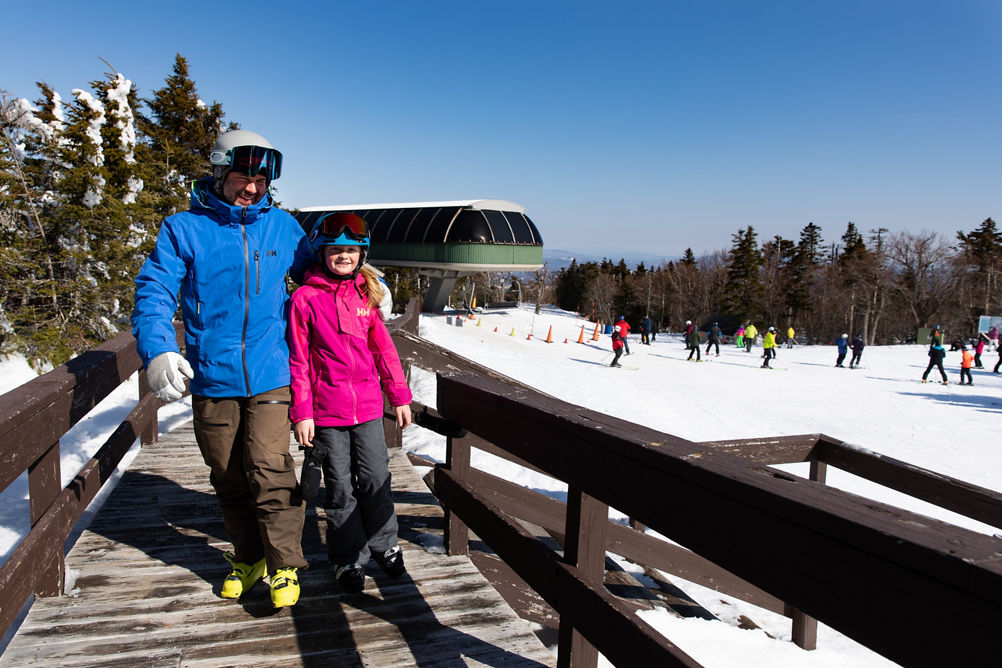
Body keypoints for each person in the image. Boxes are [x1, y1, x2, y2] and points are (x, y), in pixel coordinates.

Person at [131, 130, 312, 608]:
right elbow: (154, 291)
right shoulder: (183, 228)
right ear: (218, 173)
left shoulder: (283, 228)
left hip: (272, 370)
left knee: (269, 466)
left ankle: (284, 564)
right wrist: (158, 349)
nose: (251, 188)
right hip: (212, 374)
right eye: (240, 177)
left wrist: (363, 290)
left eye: (260, 180)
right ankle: (249, 557)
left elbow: (318, 277)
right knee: (228, 473)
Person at [288, 212, 413, 594]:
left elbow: (384, 351)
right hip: (327, 413)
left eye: (351, 250)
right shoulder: (305, 299)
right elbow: (298, 361)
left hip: (369, 409)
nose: (344, 256)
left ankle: (385, 544)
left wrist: (399, 396)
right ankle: (348, 558)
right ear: (321, 253)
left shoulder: (365, 296)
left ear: (362, 255)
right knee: (340, 487)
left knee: (376, 479)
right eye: (335, 249)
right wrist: (302, 413)